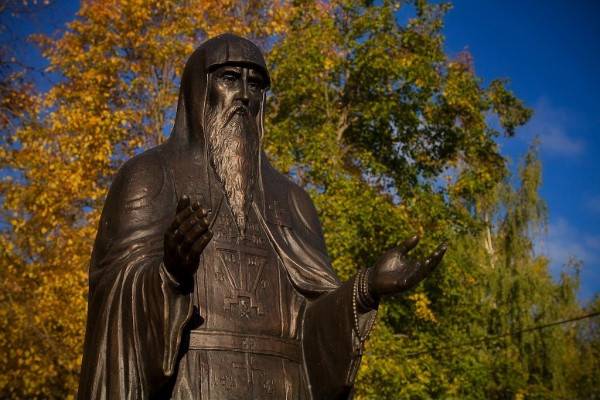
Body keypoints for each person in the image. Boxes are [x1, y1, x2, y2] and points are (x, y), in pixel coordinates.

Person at [77, 33, 446, 400]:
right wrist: (170, 273)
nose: (243, 95)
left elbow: (311, 327)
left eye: (255, 84)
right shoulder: (151, 175)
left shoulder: (292, 200)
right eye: (228, 78)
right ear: (197, 90)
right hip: (191, 385)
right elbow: (113, 303)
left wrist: (367, 287)